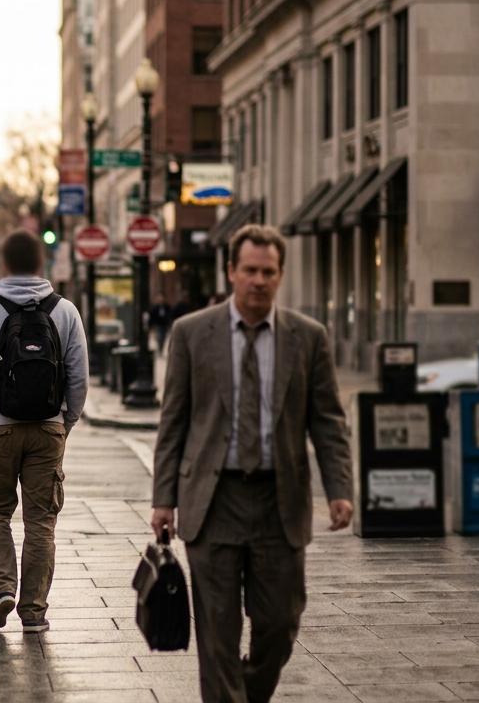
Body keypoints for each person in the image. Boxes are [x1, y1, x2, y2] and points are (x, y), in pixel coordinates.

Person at [150, 224, 352, 702]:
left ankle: (247, 692)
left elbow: (327, 421)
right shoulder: (192, 333)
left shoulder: (308, 338)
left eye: (268, 272)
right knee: (217, 633)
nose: (258, 281)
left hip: (278, 503)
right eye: (250, 271)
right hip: (213, 502)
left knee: (280, 624)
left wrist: (339, 488)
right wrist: (164, 501)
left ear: (280, 276)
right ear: (231, 273)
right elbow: (173, 423)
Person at [0, 230, 88, 633]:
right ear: (41, 264)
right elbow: (78, 377)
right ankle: (33, 610)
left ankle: (1, 590)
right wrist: (65, 422)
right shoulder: (64, 310)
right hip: (48, 429)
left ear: (3, 264)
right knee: (41, 521)